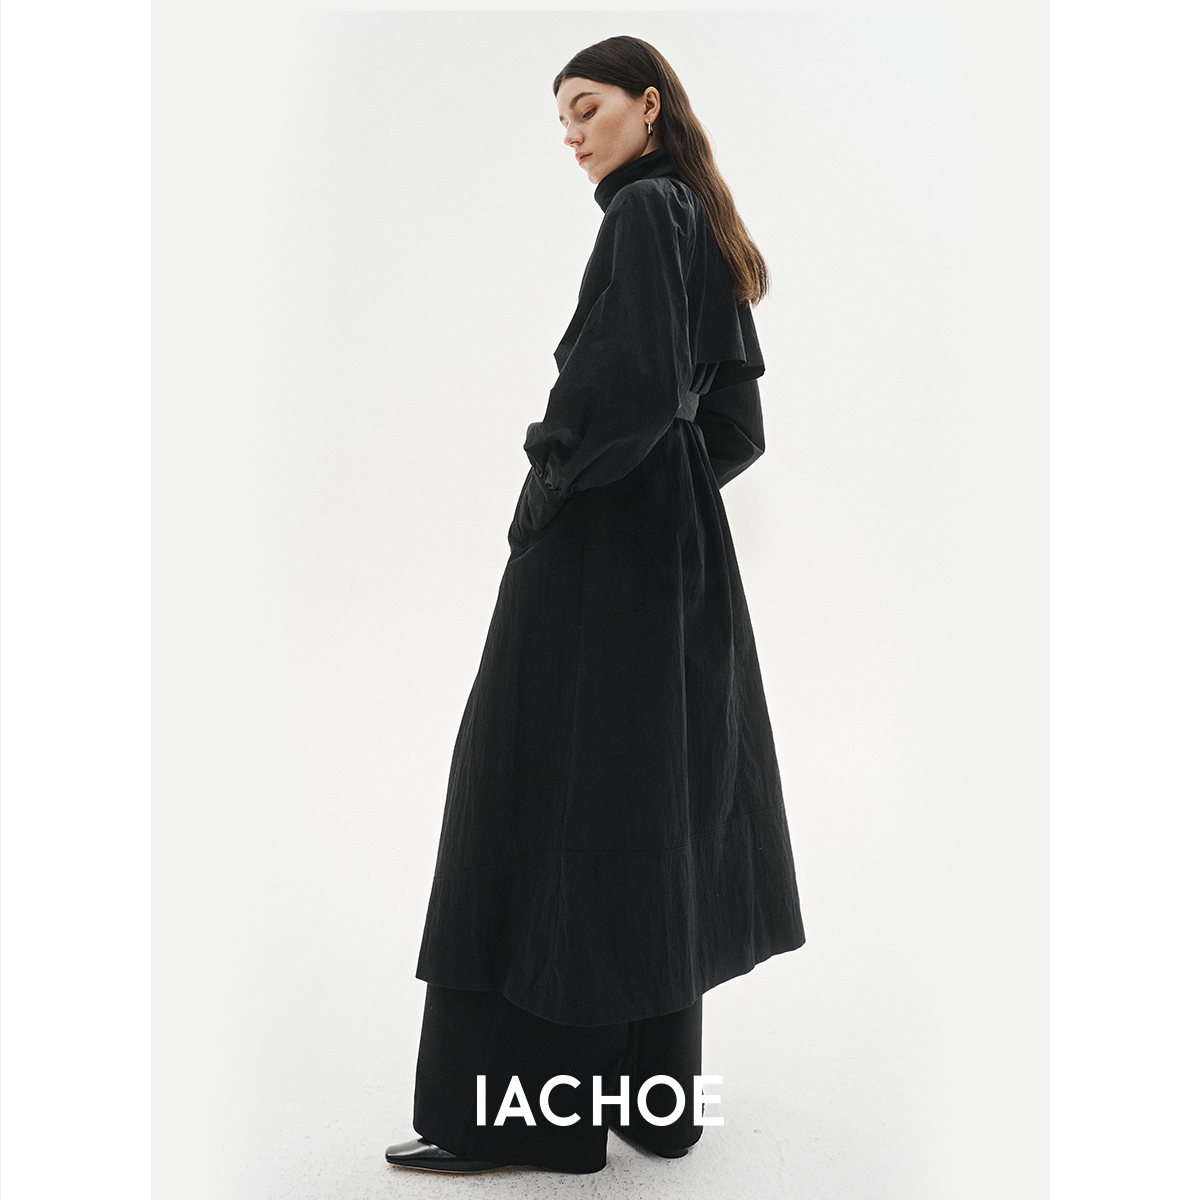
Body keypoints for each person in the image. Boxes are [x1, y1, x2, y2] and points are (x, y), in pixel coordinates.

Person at [386, 34, 805, 1176]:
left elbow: (625, 386)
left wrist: (554, 489)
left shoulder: (642, 214)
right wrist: (671, 504)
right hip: (674, 570)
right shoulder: (696, 218)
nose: (571, 134)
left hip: (600, 560)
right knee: (638, 803)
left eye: (588, 107)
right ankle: (643, 1098)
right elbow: (731, 425)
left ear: (649, 105)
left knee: (534, 797)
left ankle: (531, 1120)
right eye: (561, 118)